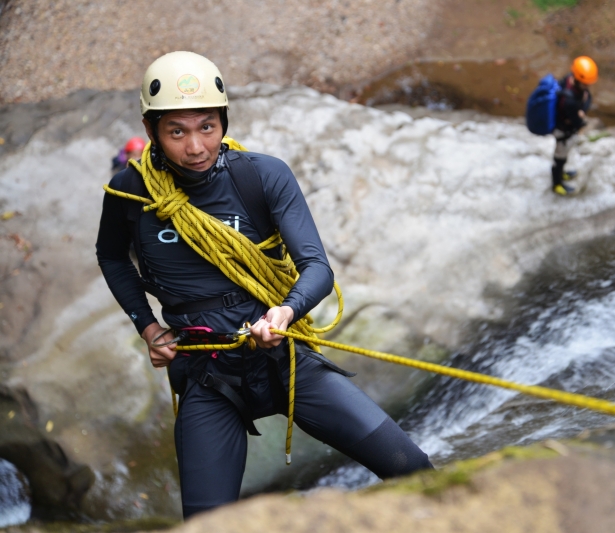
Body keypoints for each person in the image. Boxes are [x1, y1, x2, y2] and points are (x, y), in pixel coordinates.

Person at [95, 51, 433, 519]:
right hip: (207, 374)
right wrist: (148, 328)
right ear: (152, 130)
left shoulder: (260, 176)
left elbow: (316, 266)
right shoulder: (129, 192)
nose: (195, 146)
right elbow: (111, 256)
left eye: (207, 127)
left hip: (282, 356)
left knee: (411, 466)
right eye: (177, 131)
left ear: (223, 121)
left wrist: (286, 311)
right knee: (206, 527)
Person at [551, 56, 598, 196]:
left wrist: (583, 105)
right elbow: (578, 121)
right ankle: (557, 184)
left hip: (561, 126)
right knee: (559, 158)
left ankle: (561, 174)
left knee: (562, 157)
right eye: (585, 83)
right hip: (563, 132)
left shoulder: (568, 79)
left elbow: (587, 96)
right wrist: (582, 113)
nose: (587, 86)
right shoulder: (570, 101)